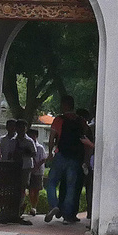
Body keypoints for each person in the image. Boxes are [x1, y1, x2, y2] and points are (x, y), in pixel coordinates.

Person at [44, 96, 91, 225]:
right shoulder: (81, 120)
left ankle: (54, 204)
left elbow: (52, 138)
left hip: (61, 154)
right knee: (71, 186)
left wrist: (50, 153)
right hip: (75, 158)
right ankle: (67, 216)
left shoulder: (59, 119)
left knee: (52, 182)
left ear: (64, 105)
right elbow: (85, 138)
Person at [6, 119, 35, 225]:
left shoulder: (29, 141)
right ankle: (11, 211)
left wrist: (25, 152)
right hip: (14, 167)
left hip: (25, 167)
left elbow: (34, 154)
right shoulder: (13, 140)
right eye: (19, 127)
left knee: (22, 188)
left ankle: (19, 210)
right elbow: (9, 153)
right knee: (13, 188)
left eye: (23, 128)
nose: (21, 130)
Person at [26, 121, 47, 217]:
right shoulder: (27, 146)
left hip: (38, 171)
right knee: (30, 189)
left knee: (37, 189)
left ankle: (34, 206)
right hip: (30, 170)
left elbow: (43, 159)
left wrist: (36, 167)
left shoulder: (40, 147)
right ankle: (32, 206)